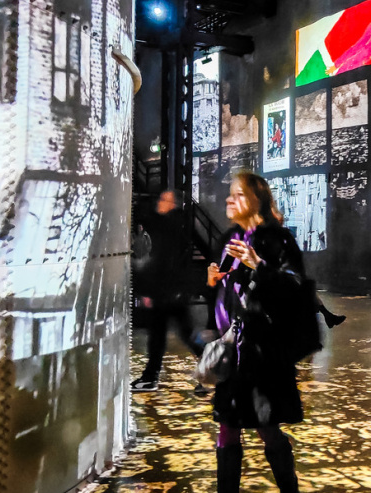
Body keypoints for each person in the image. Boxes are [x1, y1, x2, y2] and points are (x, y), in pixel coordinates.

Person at [205, 171, 305, 493]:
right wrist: (212, 281)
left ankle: (289, 488)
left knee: (267, 428)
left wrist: (258, 264)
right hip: (232, 353)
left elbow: (294, 288)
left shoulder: (279, 240)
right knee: (228, 428)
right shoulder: (228, 239)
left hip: (263, 355)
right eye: (230, 194)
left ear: (256, 201)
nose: (229, 200)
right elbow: (224, 295)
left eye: (238, 194)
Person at [131, 190, 207, 395]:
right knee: (177, 335)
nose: (159, 203)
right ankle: (212, 371)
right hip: (171, 292)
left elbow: (162, 263)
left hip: (166, 293)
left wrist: (149, 290)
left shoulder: (167, 227)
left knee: (167, 336)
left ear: (172, 205)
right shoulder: (175, 226)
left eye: (164, 200)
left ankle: (151, 377)